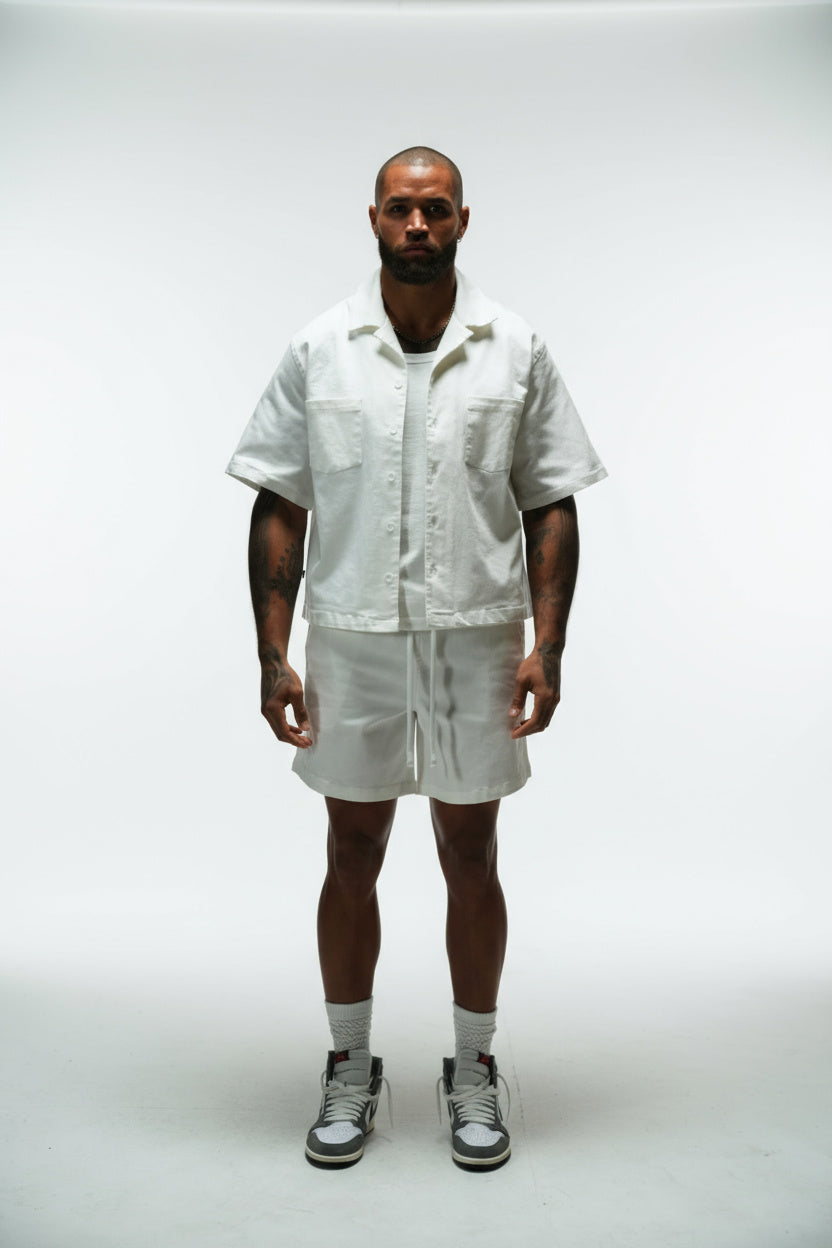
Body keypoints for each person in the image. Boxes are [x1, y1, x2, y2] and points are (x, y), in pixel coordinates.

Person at [226, 146, 606, 1172]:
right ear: (373, 218)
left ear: (463, 220)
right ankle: (350, 1062)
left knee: (470, 854)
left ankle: (472, 1064)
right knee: (351, 854)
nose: (418, 226)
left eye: (436, 209)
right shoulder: (321, 348)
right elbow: (280, 502)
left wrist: (548, 645)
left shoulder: (513, 347)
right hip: (352, 639)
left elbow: (550, 500)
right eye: (401, 209)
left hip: (476, 641)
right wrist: (272, 653)